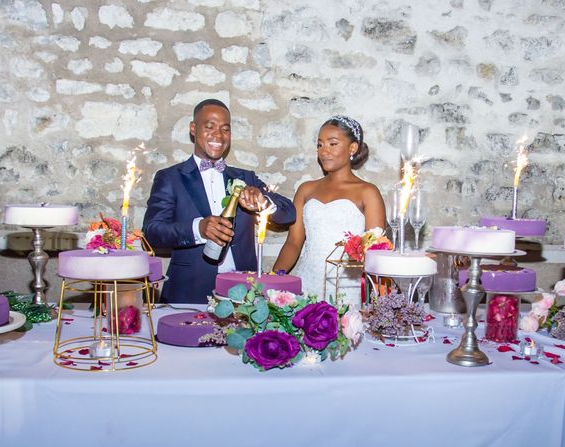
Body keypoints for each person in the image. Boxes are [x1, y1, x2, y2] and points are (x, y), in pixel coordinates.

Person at [142, 99, 296, 304]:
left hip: (244, 295)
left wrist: (262, 201)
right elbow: (152, 232)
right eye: (209, 127)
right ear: (193, 129)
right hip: (189, 291)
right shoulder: (170, 178)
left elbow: (289, 213)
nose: (218, 135)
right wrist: (199, 228)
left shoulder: (246, 178)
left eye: (225, 129)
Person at [273, 115, 386, 304]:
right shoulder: (306, 189)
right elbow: (293, 243)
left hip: (345, 290)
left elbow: (375, 253)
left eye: (332, 144)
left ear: (352, 148)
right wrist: (273, 280)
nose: (324, 151)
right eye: (319, 145)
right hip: (306, 285)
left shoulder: (368, 192)